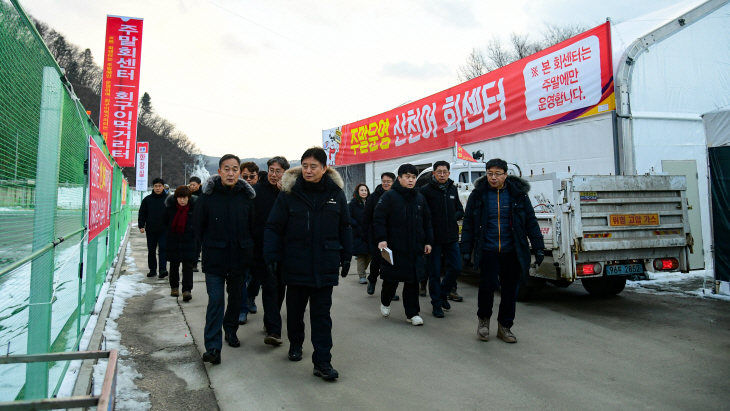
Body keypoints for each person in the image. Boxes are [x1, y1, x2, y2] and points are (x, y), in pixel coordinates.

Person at [264, 147, 352, 380]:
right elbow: (273, 227)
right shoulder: (289, 193)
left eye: (313, 166)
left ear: (324, 169)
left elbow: (344, 226)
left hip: (325, 263)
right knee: (295, 312)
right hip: (295, 263)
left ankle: (322, 361)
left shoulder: (336, 194)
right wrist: (271, 256)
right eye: (305, 166)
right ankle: (296, 344)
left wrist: (346, 255)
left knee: (321, 315)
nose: (308, 170)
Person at [460, 158, 544, 343]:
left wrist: (538, 247)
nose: (493, 177)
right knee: (487, 288)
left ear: (506, 175)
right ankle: (483, 322)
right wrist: (466, 249)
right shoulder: (479, 195)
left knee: (509, 291)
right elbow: (469, 223)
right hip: (488, 250)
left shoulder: (518, 195)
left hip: (511, 251)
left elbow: (530, 221)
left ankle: (505, 327)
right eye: (490, 173)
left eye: (498, 174)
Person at [194, 154, 256, 365]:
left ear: (240, 172)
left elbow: (252, 227)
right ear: (219, 171)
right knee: (216, 301)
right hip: (215, 259)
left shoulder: (246, 197)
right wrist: (209, 247)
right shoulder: (207, 196)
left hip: (240, 258)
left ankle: (231, 331)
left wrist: (250, 252)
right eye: (226, 169)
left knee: (236, 300)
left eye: (235, 169)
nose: (231, 173)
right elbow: (199, 227)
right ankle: (213, 346)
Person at [373, 164, 433, 326]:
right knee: (391, 280)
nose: (411, 180)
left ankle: (412, 314)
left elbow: (427, 221)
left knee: (412, 282)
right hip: (394, 247)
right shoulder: (389, 197)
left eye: (413, 177)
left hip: (414, 248)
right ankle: (385, 302)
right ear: (399, 179)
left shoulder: (420, 198)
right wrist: (382, 239)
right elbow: (379, 219)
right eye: (407, 177)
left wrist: (428, 241)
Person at [251, 156, 290, 345]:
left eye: (279, 171)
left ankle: (270, 320)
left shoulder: (289, 192)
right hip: (262, 249)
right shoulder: (256, 191)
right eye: (271, 170)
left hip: (285, 249)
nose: (274, 175)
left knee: (280, 287)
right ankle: (275, 331)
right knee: (270, 287)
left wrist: (285, 193)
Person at [419, 161, 464, 318]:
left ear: (449, 173)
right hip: (433, 240)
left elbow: (460, 209)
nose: (442, 174)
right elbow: (422, 215)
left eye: (445, 172)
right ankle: (436, 305)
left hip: (451, 237)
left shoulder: (452, 188)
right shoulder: (425, 191)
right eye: (439, 172)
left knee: (457, 268)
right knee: (435, 273)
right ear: (434, 174)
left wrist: (453, 218)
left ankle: (443, 293)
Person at [361, 172, 399, 301]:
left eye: (389, 181)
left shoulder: (397, 196)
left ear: (394, 182)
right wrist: (365, 235)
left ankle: (389, 291)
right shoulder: (373, 198)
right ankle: (372, 280)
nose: (386, 183)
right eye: (384, 181)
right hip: (376, 236)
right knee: (377, 261)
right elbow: (366, 217)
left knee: (390, 265)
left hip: (392, 237)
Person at [161, 185, 197, 301]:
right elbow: (164, 222)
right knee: (174, 265)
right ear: (176, 198)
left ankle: (187, 290)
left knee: (188, 267)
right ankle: (174, 287)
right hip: (173, 241)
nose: (182, 200)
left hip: (189, 242)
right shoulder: (170, 209)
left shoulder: (193, 209)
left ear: (189, 198)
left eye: (185, 198)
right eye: (180, 198)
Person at [237, 161, 260, 324]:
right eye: (245, 176)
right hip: (241, 242)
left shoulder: (262, 193)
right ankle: (243, 307)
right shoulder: (237, 192)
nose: (248, 179)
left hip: (258, 242)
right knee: (242, 277)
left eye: (252, 176)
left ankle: (251, 297)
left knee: (256, 276)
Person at [138, 178, 169, 279]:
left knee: (163, 249)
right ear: (153, 187)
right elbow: (142, 213)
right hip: (151, 229)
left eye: (160, 186)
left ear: (163, 187)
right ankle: (152, 270)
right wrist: (141, 225)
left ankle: (162, 270)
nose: (158, 188)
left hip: (164, 230)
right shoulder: (147, 200)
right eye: (156, 186)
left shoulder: (169, 200)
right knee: (151, 250)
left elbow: (172, 214)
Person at [349, 183, 371, 284]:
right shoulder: (353, 204)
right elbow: (348, 217)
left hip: (370, 232)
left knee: (370, 254)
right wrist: (356, 225)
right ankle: (362, 275)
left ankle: (362, 270)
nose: (364, 192)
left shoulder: (370, 202)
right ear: (357, 192)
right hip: (358, 233)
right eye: (362, 190)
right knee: (361, 254)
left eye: (365, 190)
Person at [189, 176, 203, 272]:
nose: (192, 187)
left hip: (199, 222)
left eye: (194, 185)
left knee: (197, 244)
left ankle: (194, 263)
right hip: (189, 222)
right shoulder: (187, 194)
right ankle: (189, 263)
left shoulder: (203, 195)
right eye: (191, 185)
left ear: (199, 185)